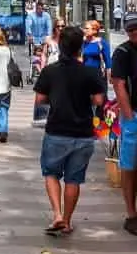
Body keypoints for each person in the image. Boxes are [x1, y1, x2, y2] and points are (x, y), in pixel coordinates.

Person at [32, 25, 106, 237]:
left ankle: (56, 214)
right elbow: (99, 100)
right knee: (73, 179)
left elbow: (40, 100)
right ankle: (67, 220)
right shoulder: (90, 72)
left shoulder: (50, 71)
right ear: (80, 47)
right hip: (83, 133)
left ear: (60, 45)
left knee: (51, 173)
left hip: (57, 130)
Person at [109, 12, 137, 235]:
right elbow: (118, 83)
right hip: (134, 113)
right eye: (130, 29)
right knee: (129, 164)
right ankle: (131, 214)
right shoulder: (123, 52)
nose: (134, 32)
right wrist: (128, 114)